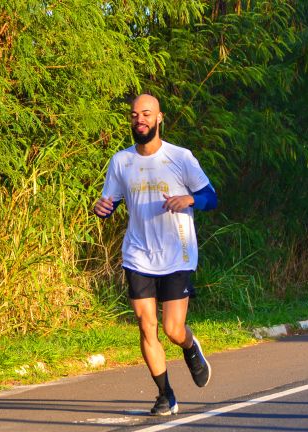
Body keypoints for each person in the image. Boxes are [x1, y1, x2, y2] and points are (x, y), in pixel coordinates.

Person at [93, 94, 217, 416]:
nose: (140, 120)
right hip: (138, 255)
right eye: (134, 115)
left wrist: (187, 200)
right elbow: (111, 200)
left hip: (178, 253)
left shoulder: (180, 157)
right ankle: (166, 394)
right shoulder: (121, 161)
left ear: (159, 117)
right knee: (145, 325)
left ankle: (191, 348)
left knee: (172, 329)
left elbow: (210, 197)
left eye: (146, 114)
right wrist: (103, 209)